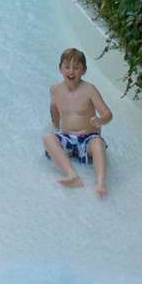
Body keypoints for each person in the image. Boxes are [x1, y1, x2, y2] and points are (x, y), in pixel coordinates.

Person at [43, 48, 113, 198]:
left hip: (87, 138)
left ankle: (100, 182)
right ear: (60, 68)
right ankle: (71, 175)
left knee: (98, 143)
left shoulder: (89, 90)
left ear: (84, 70)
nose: (71, 71)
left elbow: (108, 114)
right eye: (67, 66)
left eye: (76, 67)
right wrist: (55, 126)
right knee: (48, 138)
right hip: (67, 138)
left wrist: (101, 120)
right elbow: (54, 108)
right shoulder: (55, 89)